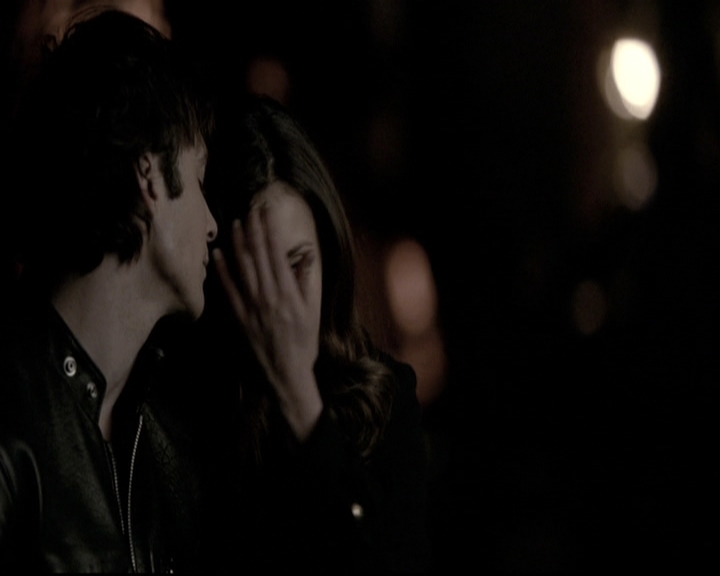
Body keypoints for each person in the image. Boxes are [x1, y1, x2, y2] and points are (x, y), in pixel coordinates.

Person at [0, 9, 222, 572]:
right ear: (150, 175)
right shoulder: (11, 416)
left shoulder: (162, 452)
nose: (213, 224)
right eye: (199, 182)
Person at [188, 92, 432, 572]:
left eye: (299, 264)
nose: (284, 303)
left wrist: (300, 398)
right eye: (261, 276)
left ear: (328, 252)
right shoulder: (186, 414)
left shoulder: (385, 402)